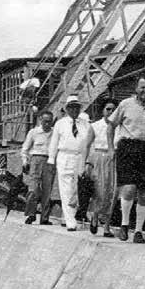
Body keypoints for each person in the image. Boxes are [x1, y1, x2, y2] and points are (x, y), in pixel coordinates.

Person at [107, 77, 145, 243]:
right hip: (128, 147)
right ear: (136, 88)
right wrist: (110, 148)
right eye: (142, 87)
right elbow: (111, 126)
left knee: (144, 193)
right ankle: (124, 225)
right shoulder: (125, 104)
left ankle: (138, 231)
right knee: (129, 188)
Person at [47, 94, 91, 232]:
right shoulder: (60, 124)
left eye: (76, 107)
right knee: (66, 189)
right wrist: (51, 159)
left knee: (77, 189)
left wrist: (89, 160)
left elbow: (90, 143)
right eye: (71, 107)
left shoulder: (85, 124)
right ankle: (70, 220)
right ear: (66, 109)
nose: (74, 110)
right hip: (65, 157)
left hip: (80, 157)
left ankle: (73, 216)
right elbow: (54, 142)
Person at [83, 100, 117, 237]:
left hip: (114, 159)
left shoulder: (119, 126)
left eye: (113, 110)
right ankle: (95, 216)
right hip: (98, 158)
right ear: (103, 110)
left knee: (112, 193)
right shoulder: (95, 126)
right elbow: (87, 145)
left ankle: (107, 226)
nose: (111, 112)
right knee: (99, 191)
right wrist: (86, 163)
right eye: (108, 109)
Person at [21, 109, 54, 225]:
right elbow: (25, 149)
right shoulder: (33, 132)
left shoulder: (55, 133)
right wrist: (25, 162)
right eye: (45, 121)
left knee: (47, 191)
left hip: (50, 161)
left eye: (49, 121)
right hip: (36, 161)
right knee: (33, 189)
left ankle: (44, 218)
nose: (47, 124)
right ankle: (31, 214)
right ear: (40, 120)